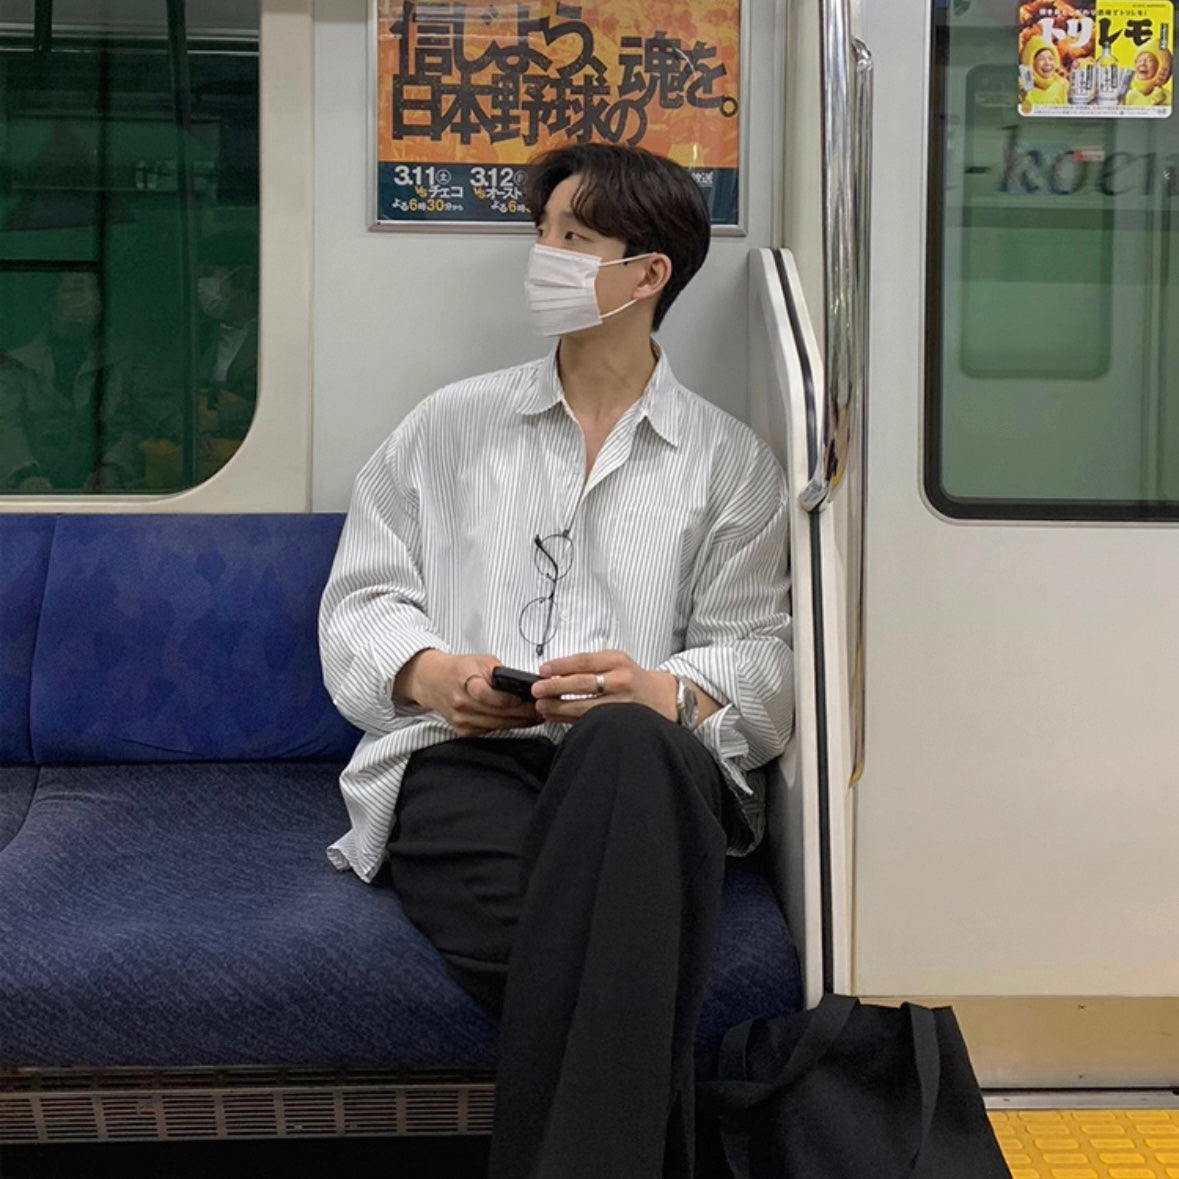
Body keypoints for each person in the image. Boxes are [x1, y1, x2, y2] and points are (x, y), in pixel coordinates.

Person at [319, 142, 792, 1179]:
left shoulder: (730, 464)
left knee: (624, 740)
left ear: (647, 273)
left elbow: (765, 657)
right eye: (541, 234)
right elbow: (361, 603)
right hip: (465, 760)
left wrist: (666, 690)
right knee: (617, 945)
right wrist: (433, 675)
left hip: (642, 775)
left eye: (571, 238)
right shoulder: (448, 427)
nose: (541, 255)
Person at [0, 271, 144, 491]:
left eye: (94, 290)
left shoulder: (131, 359)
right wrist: (24, 475)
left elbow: (145, 422)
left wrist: (114, 469)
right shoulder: (18, 364)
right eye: (75, 290)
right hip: (31, 493)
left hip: (117, 495)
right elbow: (6, 424)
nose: (86, 299)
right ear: (47, 303)